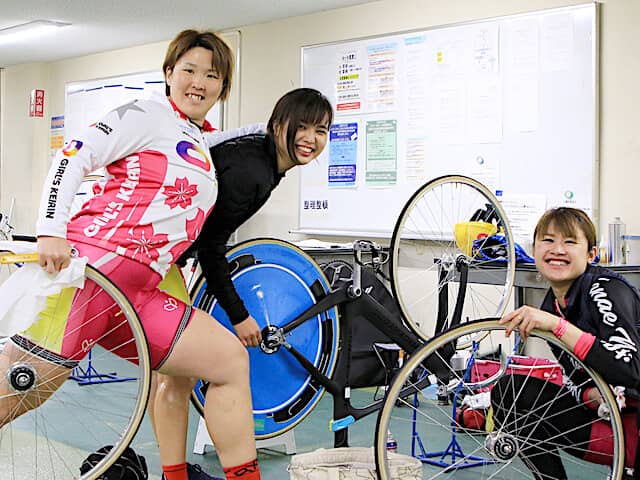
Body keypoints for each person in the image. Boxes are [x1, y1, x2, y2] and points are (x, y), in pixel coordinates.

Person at [0, 29, 263, 480]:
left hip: (140, 293)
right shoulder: (146, 114)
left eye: (212, 75)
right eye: (190, 70)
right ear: (169, 73)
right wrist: (50, 229)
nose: (199, 83)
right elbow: (72, 155)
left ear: (223, 87)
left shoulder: (199, 140)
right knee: (20, 392)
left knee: (228, 361)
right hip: (90, 276)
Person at [148, 87, 333, 480]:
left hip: (160, 258)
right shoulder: (253, 171)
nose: (311, 139)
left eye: (321, 130)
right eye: (302, 127)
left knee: (176, 376)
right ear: (278, 125)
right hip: (149, 259)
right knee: (217, 365)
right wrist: (240, 316)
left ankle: (174, 475)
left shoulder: (262, 159)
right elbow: (212, 248)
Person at [493, 207, 640, 479]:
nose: (557, 250)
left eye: (570, 242)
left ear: (591, 254)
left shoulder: (606, 288)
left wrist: (558, 327)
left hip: (633, 425)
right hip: (612, 422)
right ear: (534, 249)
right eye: (548, 240)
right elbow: (578, 379)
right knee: (510, 391)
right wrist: (590, 395)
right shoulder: (552, 305)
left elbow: (628, 369)